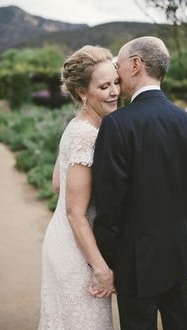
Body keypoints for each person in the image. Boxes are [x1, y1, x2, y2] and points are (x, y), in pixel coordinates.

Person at [93, 36, 187, 330]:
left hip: (135, 263)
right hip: (176, 255)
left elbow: (109, 203)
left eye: (118, 65)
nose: (116, 72)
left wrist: (106, 259)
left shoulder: (117, 124)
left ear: (136, 65)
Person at [38, 45, 119, 329]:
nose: (115, 91)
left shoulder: (76, 125)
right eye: (105, 86)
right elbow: (75, 212)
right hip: (77, 252)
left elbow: (57, 185)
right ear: (83, 93)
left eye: (116, 82)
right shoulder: (87, 135)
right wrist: (100, 268)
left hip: (61, 240)